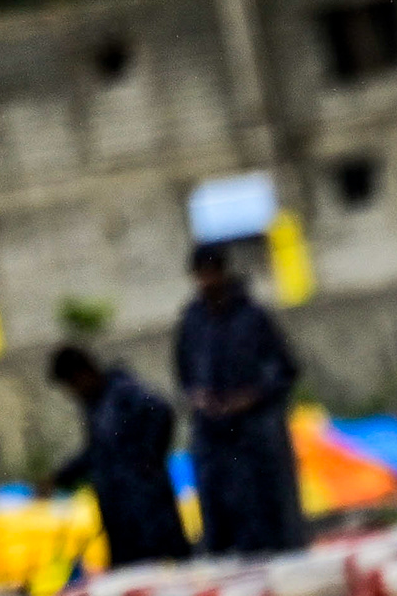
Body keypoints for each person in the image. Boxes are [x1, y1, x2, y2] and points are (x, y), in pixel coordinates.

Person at [174, 242, 309, 557]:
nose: (207, 281)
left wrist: (250, 398)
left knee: (267, 517)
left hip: (254, 436)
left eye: (211, 273)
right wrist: (200, 399)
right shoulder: (193, 322)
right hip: (213, 436)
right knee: (222, 524)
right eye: (201, 275)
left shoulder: (252, 317)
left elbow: (284, 371)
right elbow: (184, 375)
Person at [46, 342, 190, 567]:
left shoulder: (123, 392)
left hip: (148, 512)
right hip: (120, 516)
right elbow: (97, 453)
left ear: (82, 373)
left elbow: (162, 412)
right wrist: (59, 478)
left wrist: (147, 461)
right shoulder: (95, 405)